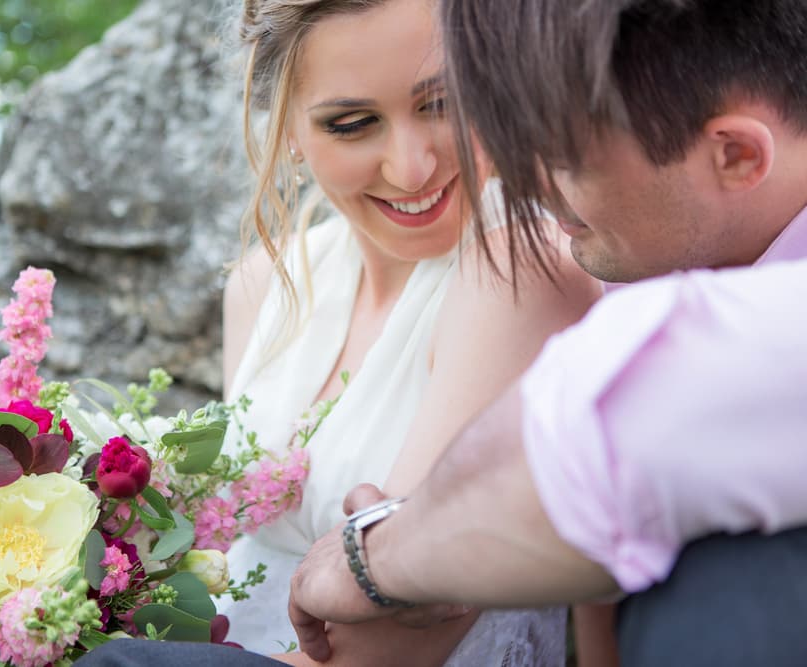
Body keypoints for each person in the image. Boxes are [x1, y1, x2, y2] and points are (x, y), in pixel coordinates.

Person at [76, 0, 599, 665]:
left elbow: (389, 645)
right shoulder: (265, 283)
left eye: (444, 104)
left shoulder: (520, 271)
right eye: (352, 124)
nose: (411, 168)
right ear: (289, 126)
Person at [285, 1, 807, 666]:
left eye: (563, 159)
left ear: (736, 155)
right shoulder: (654, 244)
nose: (525, 184)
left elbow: (616, 438)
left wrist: (376, 557)